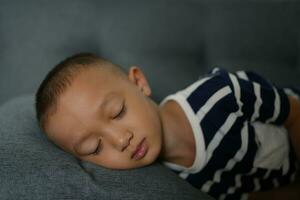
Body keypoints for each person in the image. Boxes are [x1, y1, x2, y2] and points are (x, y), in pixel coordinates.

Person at [35, 53, 300, 200]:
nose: (120, 140)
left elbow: (295, 114)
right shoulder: (180, 181)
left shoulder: (218, 95)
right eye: (95, 147)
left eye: (117, 112)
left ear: (139, 83)